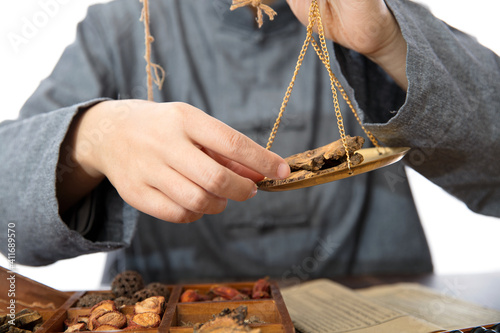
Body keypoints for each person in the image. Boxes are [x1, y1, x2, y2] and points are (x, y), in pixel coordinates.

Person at [0, 0, 498, 284]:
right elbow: (8, 222)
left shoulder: (361, 11)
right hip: (175, 303)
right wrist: (94, 137)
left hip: (373, 303)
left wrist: (388, 43)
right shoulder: (123, 27)